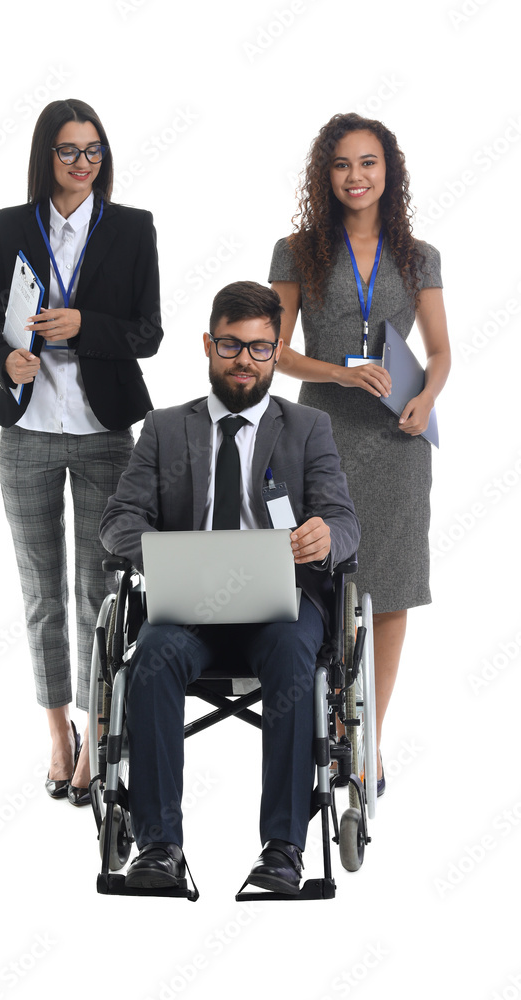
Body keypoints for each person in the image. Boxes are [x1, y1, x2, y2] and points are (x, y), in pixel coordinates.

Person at [100, 281, 359, 894]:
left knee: (296, 653)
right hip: (189, 608)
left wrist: (325, 536)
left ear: (276, 351)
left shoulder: (308, 426)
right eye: (231, 345)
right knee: (153, 658)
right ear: (209, 346)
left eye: (260, 349)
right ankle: (157, 848)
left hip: (282, 607)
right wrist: (168, 553)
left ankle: (284, 849)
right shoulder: (164, 429)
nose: (245, 360)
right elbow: (118, 522)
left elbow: (345, 520)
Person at [0, 99, 163, 806]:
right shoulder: (12, 226)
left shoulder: (133, 228)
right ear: (44, 156)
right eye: (67, 151)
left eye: (93, 151)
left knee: (99, 594)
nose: (82, 164)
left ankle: (97, 731)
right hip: (25, 433)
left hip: (106, 434)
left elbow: (148, 333)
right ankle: (59, 735)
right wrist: (6, 360)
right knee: (39, 593)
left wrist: (84, 326)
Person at [268, 113, 451, 794]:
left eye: (368, 163)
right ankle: (333, 725)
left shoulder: (418, 256)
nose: (356, 177)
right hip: (323, 436)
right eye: (342, 164)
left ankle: (368, 737)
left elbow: (439, 351)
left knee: (392, 592)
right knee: (324, 580)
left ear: (389, 171)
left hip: (399, 440)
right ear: (326, 174)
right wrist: (340, 373)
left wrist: (427, 399)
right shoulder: (298, 250)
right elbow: (274, 352)